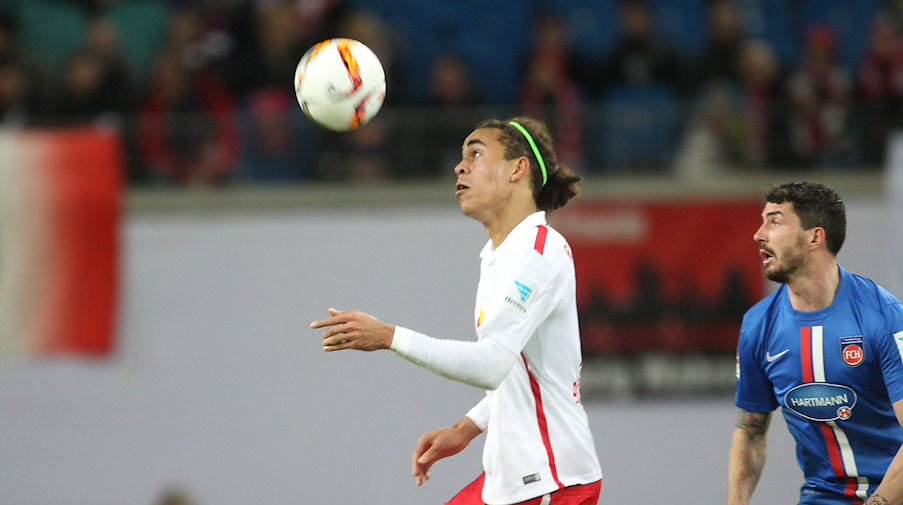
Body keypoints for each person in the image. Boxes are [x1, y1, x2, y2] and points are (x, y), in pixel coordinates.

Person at [310, 116, 603, 505]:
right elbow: (519, 370)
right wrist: (468, 427)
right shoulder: (501, 254)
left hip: (550, 482)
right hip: (513, 478)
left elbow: (493, 363)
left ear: (519, 169)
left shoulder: (539, 254)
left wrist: (389, 337)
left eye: (476, 154)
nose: (460, 167)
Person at [728, 181, 903, 505]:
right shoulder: (758, 326)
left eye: (775, 221)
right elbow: (751, 431)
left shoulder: (886, 317)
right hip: (823, 497)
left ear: (815, 237)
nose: (759, 234)